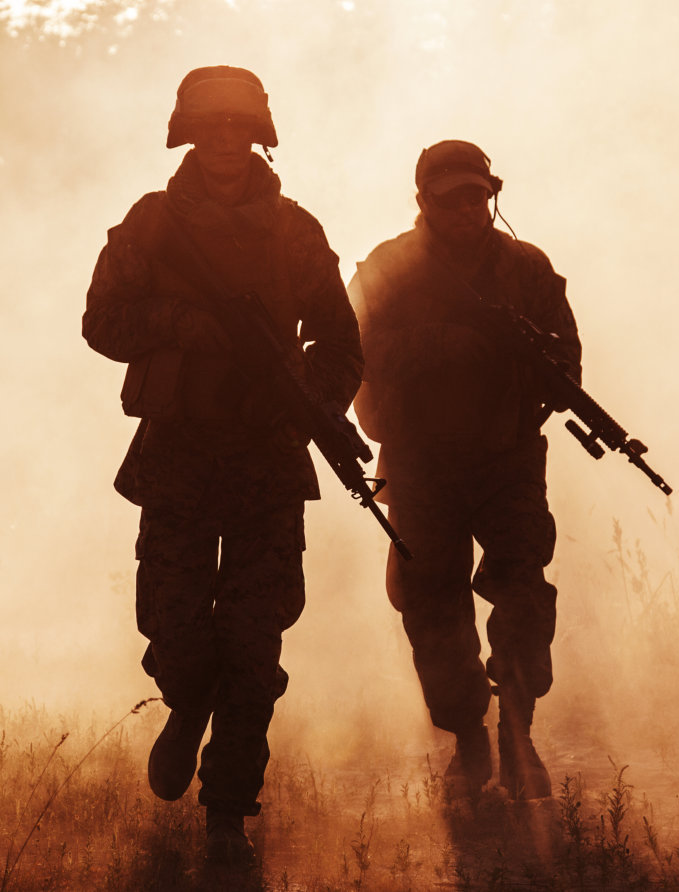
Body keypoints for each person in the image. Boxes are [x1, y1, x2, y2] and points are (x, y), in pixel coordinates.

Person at [81, 66, 363, 864]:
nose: (227, 142)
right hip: (176, 456)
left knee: (253, 644)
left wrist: (300, 395)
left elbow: (342, 344)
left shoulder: (295, 232)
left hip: (267, 465)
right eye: (212, 128)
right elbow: (101, 321)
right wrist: (179, 323)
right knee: (177, 634)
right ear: (188, 133)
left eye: (240, 127)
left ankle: (228, 812)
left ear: (260, 134)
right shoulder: (153, 224)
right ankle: (184, 700)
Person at [347, 140, 580, 801]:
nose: (468, 209)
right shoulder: (390, 268)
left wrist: (543, 369)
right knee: (433, 606)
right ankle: (469, 742)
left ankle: (518, 732)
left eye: (478, 195)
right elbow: (352, 350)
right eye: (451, 198)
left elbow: (566, 353)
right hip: (421, 463)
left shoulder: (526, 268)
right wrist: (441, 345)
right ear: (424, 201)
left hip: (506, 457)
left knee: (523, 591)